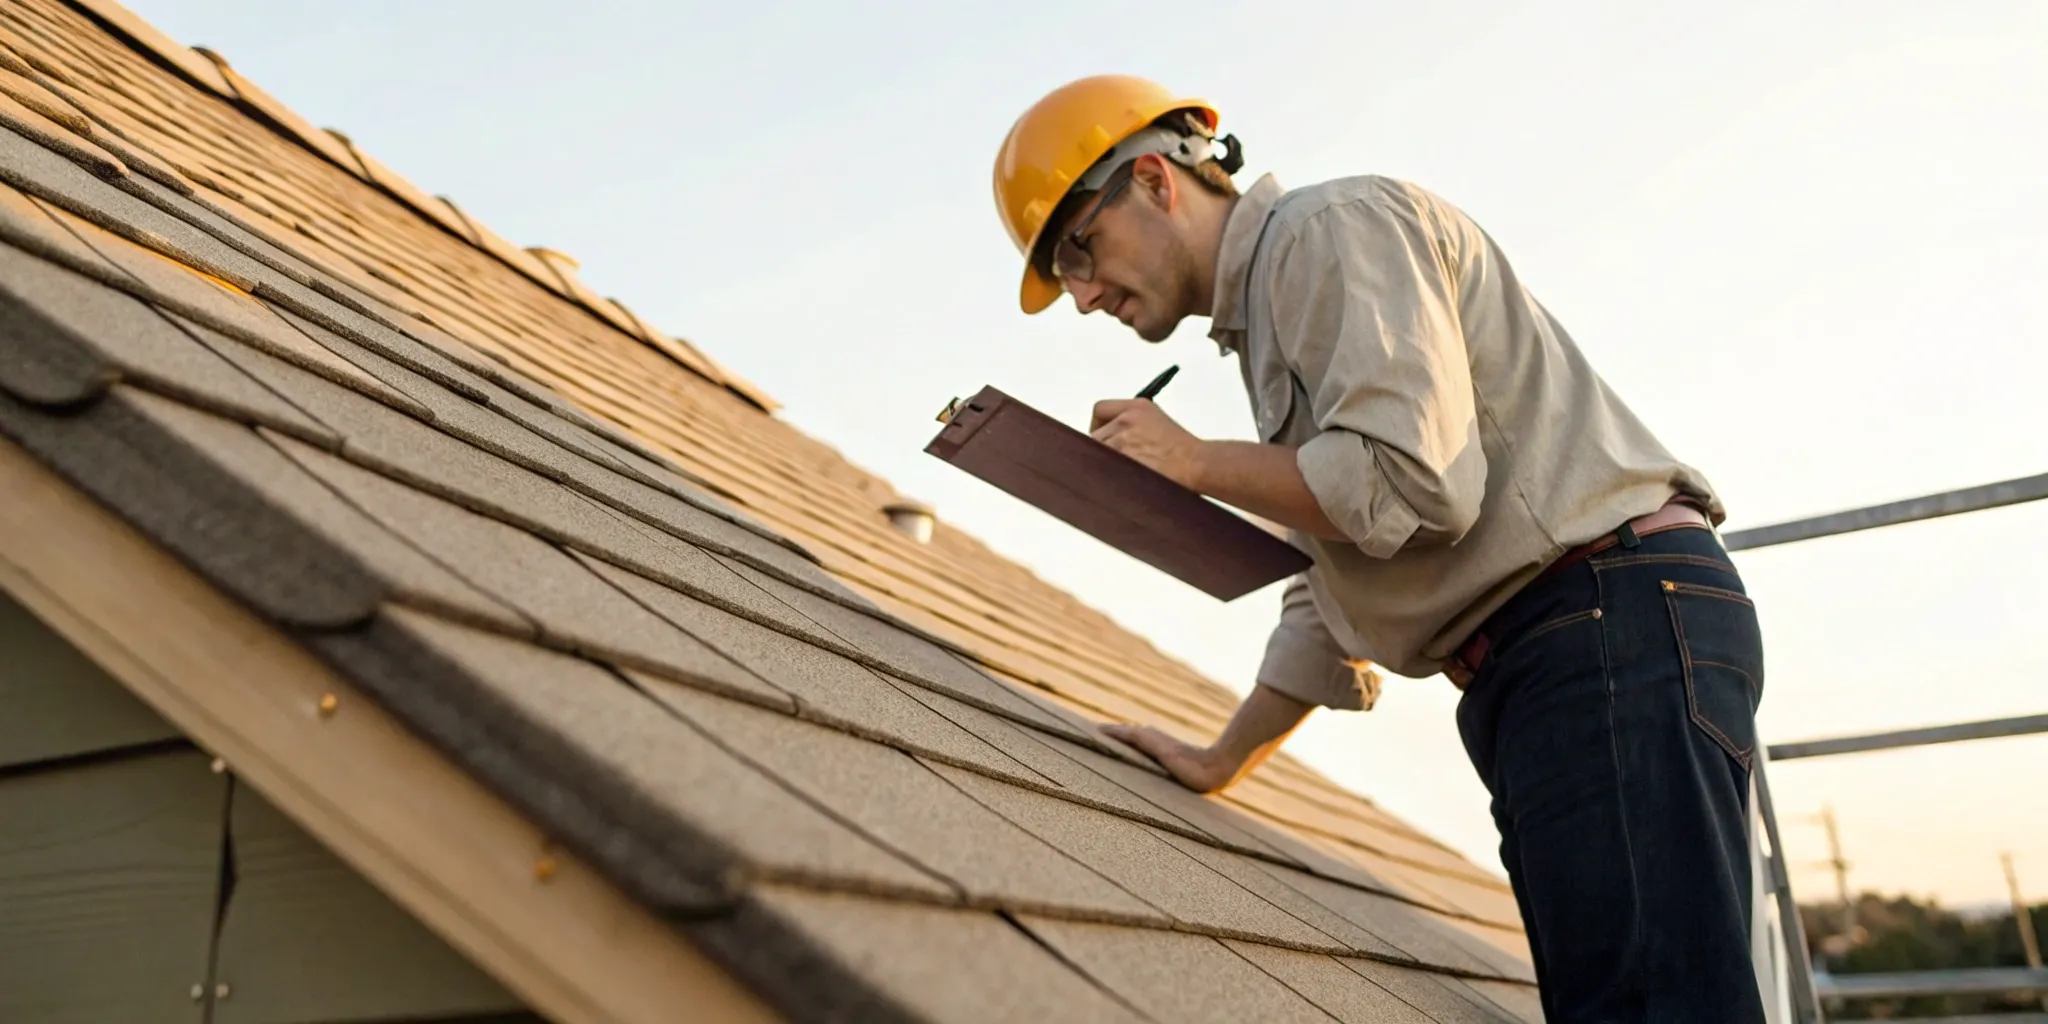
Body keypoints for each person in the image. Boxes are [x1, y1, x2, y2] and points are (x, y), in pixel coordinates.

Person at [990, 75, 1770, 1022]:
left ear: (1155, 180)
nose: (1079, 296)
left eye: (1080, 247)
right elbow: (1332, 584)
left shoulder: (1328, 232)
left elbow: (1419, 483)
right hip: (1562, 652)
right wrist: (1220, 759)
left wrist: (1197, 463)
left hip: (1599, 623)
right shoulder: (1275, 318)